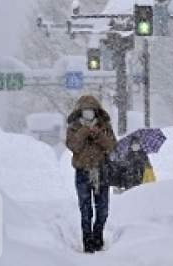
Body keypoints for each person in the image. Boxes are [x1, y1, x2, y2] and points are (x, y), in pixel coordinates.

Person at [66, 95, 116, 254]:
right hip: (82, 173)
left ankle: (98, 235)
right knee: (85, 209)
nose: (89, 114)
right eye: (85, 111)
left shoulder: (105, 126)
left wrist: (99, 135)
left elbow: (112, 146)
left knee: (103, 209)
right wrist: (83, 132)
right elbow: (73, 146)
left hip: (101, 171)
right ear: (80, 112)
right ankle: (87, 241)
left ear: (96, 112)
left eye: (91, 111)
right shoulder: (73, 128)